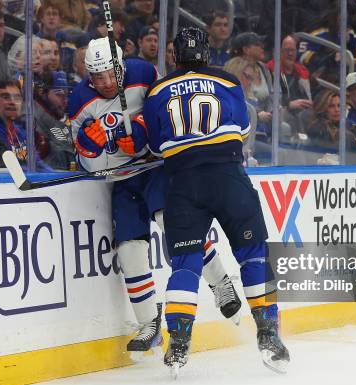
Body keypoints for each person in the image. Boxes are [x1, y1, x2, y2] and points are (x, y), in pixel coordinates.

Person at [70, 37, 242, 360]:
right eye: (97, 77)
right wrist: (87, 148)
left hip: (156, 170)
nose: (106, 83)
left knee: (175, 225)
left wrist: (140, 134)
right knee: (129, 249)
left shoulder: (143, 73)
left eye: (110, 74)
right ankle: (148, 323)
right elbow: (85, 164)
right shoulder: (79, 100)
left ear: (120, 66)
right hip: (121, 181)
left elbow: (163, 119)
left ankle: (220, 283)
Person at [143, 27, 289, 375]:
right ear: (207, 54)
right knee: (253, 256)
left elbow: (153, 146)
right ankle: (269, 337)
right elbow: (241, 130)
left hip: (184, 185)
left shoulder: (156, 91)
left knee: (185, 265)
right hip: (228, 178)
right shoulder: (226, 80)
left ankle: (177, 345)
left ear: (174, 56)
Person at [0, 79, 52, 171]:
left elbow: (37, 164)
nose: (13, 102)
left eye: (17, 98)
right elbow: (5, 167)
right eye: (6, 97)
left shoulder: (20, 132)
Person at [34, 70, 75, 170]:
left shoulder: (59, 117)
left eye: (67, 94)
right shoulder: (33, 118)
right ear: (42, 92)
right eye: (59, 94)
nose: (65, 100)